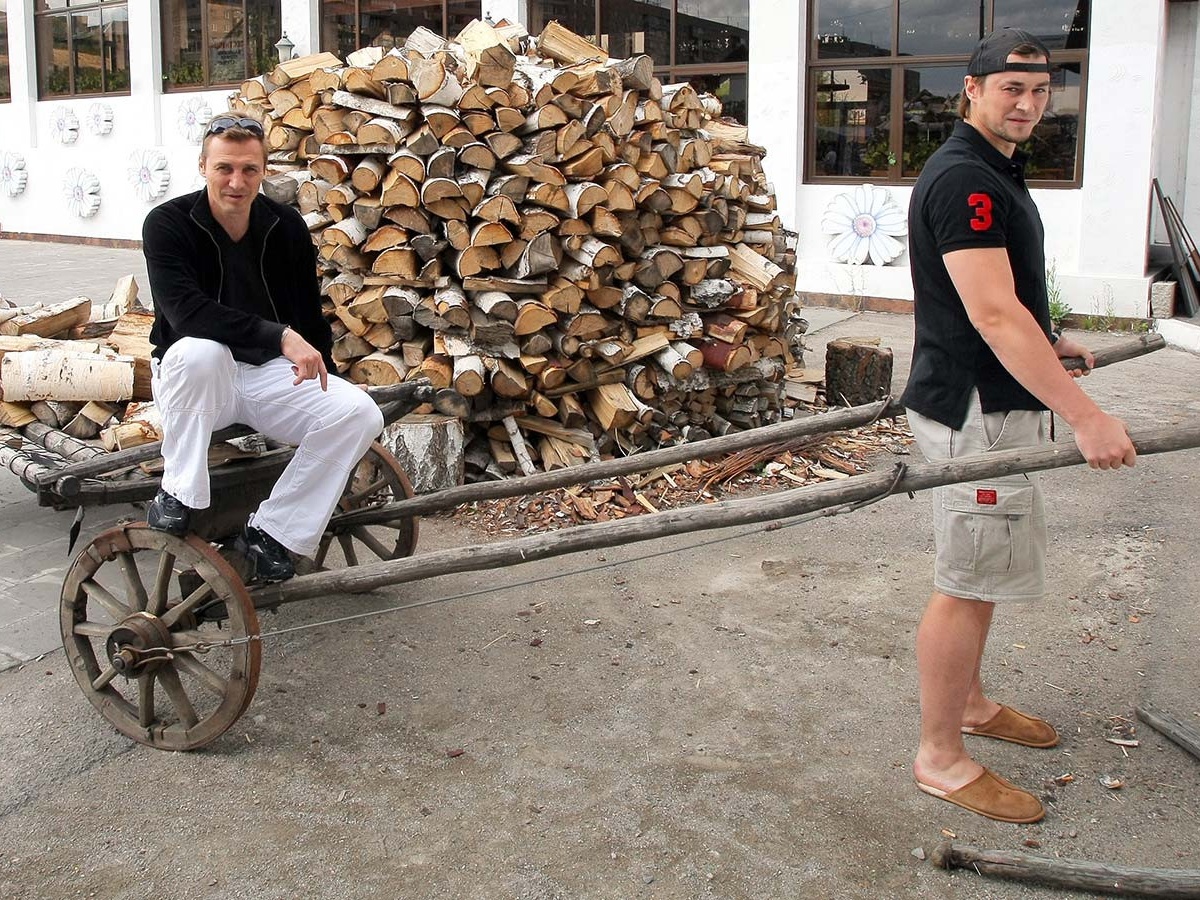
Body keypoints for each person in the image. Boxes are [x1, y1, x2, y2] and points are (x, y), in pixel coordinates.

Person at [901, 28, 1137, 824]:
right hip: (977, 411)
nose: (1029, 104)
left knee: (986, 570)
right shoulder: (965, 179)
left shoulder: (995, 168)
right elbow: (993, 314)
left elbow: (1008, 299)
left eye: (1040, 91)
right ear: (971, 88)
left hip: (993, 400)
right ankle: (940, 758)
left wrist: (1050, 337)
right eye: (1012, 88)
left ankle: (969, 706)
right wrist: (1086, 417)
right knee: (966, 585)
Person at [142, 115, 384, 583]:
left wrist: (328, 379)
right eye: (225, 168)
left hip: (264, 373)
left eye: (249, 169)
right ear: (203, 167)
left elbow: (307, 314)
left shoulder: (285, 225)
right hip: (195, 381)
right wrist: (280, 336)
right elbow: (186, 313)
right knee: (203, 351)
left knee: (358, 413)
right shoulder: (167, 224)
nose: (237, 182)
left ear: (264, 170)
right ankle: (178, 492)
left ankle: (271, 533)